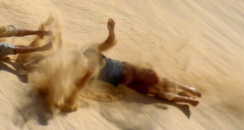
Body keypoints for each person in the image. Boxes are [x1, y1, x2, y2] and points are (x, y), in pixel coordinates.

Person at [63, 18, 201, 111]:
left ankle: (189, 89)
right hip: (126, 83)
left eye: (79, 57)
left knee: (160, 82)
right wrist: (87, 76)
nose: (81, 61)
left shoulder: (90, 50)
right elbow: (77, 88)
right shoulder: (81, 73)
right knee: (154, 92)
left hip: (130, 70)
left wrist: (111, 30)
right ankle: (187, 100)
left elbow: (108, 43)